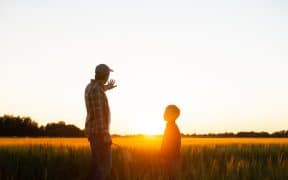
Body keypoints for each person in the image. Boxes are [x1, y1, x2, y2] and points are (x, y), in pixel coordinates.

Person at [84, 64, 117, 180]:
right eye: (108, 74)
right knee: (105, 166)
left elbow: (100, 88)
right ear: (106, 75)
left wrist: (108, 87)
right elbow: (99, 116)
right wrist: (105, 134)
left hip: (94, 133)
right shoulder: (97, 90)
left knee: (95, 166)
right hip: (99, 134)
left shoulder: (90, 87)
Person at [160, 104, 181, 180]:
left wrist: (163, 157)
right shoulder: (170, 126)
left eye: (166, 112)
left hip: (171, 159)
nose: (164, 114)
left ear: (172, 115)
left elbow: (167, 144)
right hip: (172, 159)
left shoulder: (172, 127)